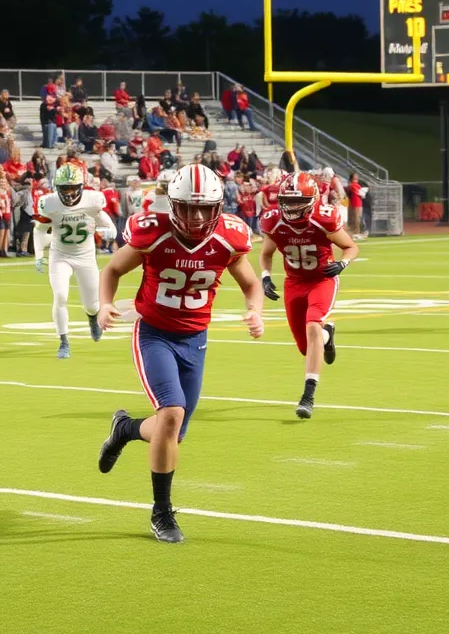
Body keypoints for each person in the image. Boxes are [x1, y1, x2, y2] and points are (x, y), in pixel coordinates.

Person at [95, 164, 263, 543]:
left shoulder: (229, 238)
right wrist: (104, 304)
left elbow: (252, 284)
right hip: (154, 333)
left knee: (173, 433)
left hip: (196, 339)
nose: (196, 216)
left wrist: (255, 311)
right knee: (171, 413)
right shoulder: (152, 233)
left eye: (204, 208)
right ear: (172, 204)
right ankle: (161, 513)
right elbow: (112, 270)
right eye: (187, 207)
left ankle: (125, 429)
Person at [259, 171, 358, 418]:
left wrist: (343, 263)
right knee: (306, 348)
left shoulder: (323, 219)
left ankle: (308, 395)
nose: (292, 207)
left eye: (297, 201)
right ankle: (327, 335)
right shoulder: (274, 221)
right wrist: (265, 276)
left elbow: (350, 246)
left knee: (313, 324)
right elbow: (266, 253)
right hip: (294, 282)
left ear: (312, 199)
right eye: (288, 201)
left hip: (321, 279)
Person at [31, 164, 117, 359]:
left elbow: (103, 218)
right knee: (60, 296)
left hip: (86, 256)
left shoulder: (92, 199)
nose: (69, 193)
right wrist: (39, 254)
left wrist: (110, 227)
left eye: (72, 188)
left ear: (80, 186)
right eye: (65, 188)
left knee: (92, 304)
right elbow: (40, 230)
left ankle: (92, 318)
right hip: (60, 255)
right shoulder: (50, 203)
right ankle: (64, 341)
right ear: (57, 188)